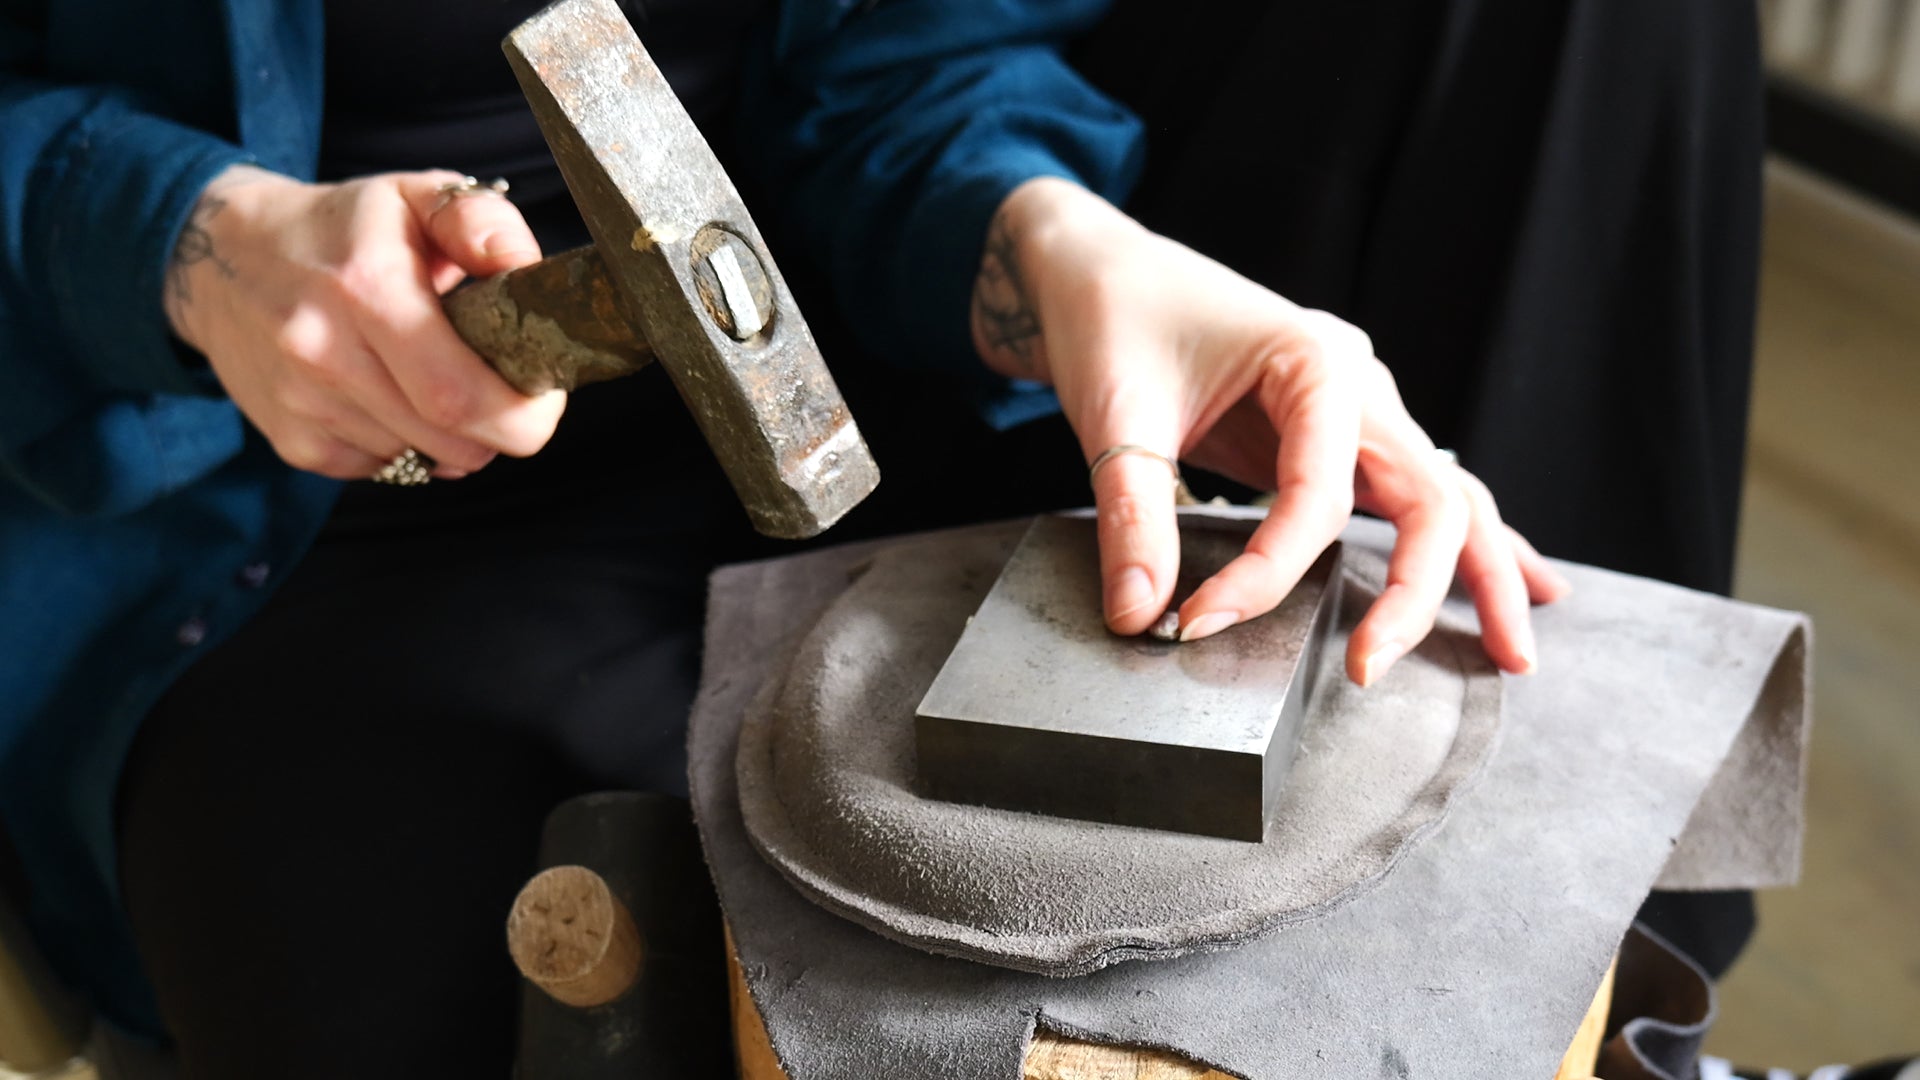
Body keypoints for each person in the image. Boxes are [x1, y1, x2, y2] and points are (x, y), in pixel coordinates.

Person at [0, 0, 1786, 1075]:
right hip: (274, 517)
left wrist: (1059, 247)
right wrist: (175, 238)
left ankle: (1627, 1012)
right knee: (549, 970)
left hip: (852, 418)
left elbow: (897, 74)